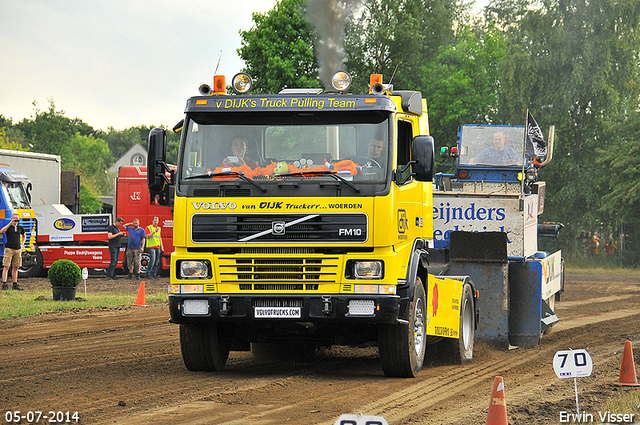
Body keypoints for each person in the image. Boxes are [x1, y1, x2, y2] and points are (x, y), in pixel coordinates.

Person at [0, 213, 25, 290]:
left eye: (17, 218)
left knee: (16, 267)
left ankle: (15, 284)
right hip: (9, 249)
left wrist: (22, 244)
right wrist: (10, 223)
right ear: (11, 219)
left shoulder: (20, 228)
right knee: (6, 266)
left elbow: (24, 235)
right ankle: (4, 284)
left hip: (17, 249)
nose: (15, 220)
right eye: (14, 218)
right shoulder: (9, 227)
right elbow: (2, 231)